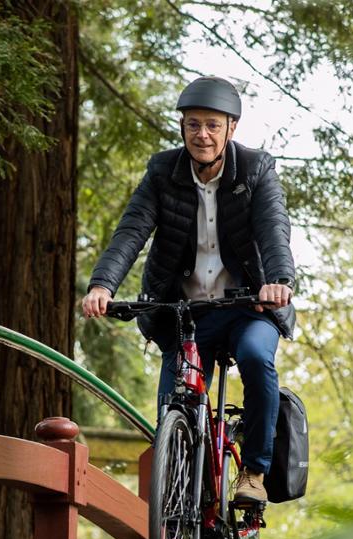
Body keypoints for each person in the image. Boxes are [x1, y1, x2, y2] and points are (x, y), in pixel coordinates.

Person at [82, 76, 296, 504]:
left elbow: (274, 230)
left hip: (249, 306)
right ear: (182, 127)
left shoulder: (256, 169)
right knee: (173, 407)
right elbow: (132, 232)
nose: (203, 134)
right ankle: (181, 500)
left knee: (256, 358)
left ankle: (254, 471)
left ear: (231, 129)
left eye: (213, 125)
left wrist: (280, 282)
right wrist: (102, 284)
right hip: (186, 314)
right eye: (193, 124)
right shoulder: (163, 172)